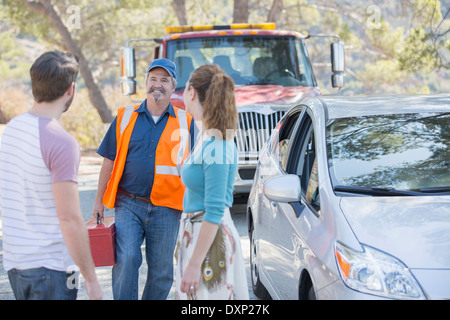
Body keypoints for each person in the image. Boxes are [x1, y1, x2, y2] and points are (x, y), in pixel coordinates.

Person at [0, 51, 102, 300]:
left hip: (16, 264)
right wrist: (91, 279)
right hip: (52, 269)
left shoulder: (12, 129)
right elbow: (69, 219)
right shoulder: (62, 142)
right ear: (70, 89)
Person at [93, 58, 195, 300]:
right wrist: (98, 202)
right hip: (129, 203)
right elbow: (108, 160)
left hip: (168, 208)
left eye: (164, 80)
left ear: (173, 86)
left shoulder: (186, 122)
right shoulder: (125, 117)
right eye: (153, 79)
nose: (157, 85)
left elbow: (193, 168)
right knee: (127, 258)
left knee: (161, 272)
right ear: (146, 83)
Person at [175, 64, 249, 300]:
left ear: (192, 93)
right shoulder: (207, 137)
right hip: (196, 236)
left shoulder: (218, 145)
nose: (183, 93)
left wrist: (195, 264)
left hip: (210, 243)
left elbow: (214, 210)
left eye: (185, 87)